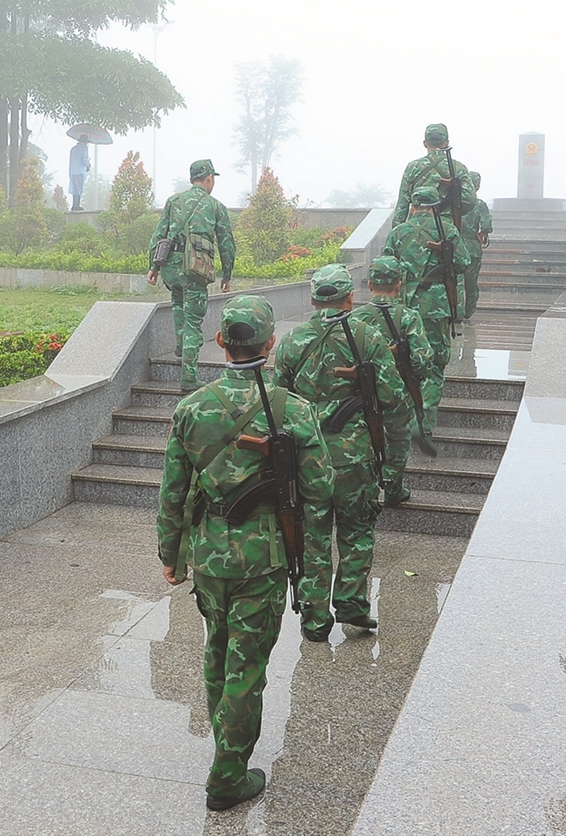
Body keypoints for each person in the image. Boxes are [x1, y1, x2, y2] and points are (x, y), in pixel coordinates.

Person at [157, 294, 336, 812]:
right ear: (271, 343)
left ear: (219, 342)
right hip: (264, 559)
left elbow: (172, 492)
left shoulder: (191, 409)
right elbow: (322, 486)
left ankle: (225, 744)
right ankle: (227, 775)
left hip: (210, 555)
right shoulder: (294, 409)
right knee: (247, 665)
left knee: (218, 647)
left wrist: (170, 552)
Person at [274, 263, 411, 641]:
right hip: (354, 458)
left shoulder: (291, 341)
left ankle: (314, 618)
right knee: (357, 531)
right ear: (351, 298)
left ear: (314, 299)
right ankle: (351, 604)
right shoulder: (366, 336)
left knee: (312, 537)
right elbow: (394, 396)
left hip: (306, 458)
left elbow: (277, 403)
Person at [382, 184, 469, 434]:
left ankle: (402, 417)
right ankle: (424, 422)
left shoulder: (398, 232)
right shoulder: (448, 230)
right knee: (433, 366)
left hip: (402, 308)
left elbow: (386, 269)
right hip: (436, 308)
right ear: (435, 207)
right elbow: (463, 263)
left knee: (403, 361)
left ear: (412, 206)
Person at [350, 255, 436, 505]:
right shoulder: (409, 317)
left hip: (363, 393)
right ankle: (393, 488)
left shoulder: (357, 319)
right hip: (399, 391)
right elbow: (424, 359)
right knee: (398, 440)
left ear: (369, 285)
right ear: (400, 284)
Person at [147, 159, 236, 390]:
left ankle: (180, 344)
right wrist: (227, 274)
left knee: (178, 305)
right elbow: (226, 243)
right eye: (212, 179)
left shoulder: (173, 201)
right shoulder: (215, 207)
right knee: (194, 322)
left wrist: (153, 267)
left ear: (190, 179)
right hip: (195, 269)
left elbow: (159, 235)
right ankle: (188, 377)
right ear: (209, 179)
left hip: (171, 269)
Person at [393, 122, 477, 226]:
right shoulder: (458, 168)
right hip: (446, 227)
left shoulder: (412, 167)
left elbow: (402, 204)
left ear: (424, 143)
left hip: (416, 226)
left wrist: (397, 232)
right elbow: (470, 201)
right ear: (447, 143)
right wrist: (454, 208)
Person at [459, 170, 492, 319]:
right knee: (471, 283)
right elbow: (486, 225)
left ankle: (456, 312)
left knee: (456, 281)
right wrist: (481, 234)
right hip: (472, 248)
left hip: (455, 247)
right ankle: (468, 311)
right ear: (477, 187)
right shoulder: (479, 205)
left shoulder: (454, 204)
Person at [68, 139, 90, 211]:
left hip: (73, 171)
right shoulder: (84, 148)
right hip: (80, 171)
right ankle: (76, 204)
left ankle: (75, 204)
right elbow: (84, 161)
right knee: (79, 188)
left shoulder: (73, 149)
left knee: (75, 188)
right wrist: (88, 165)